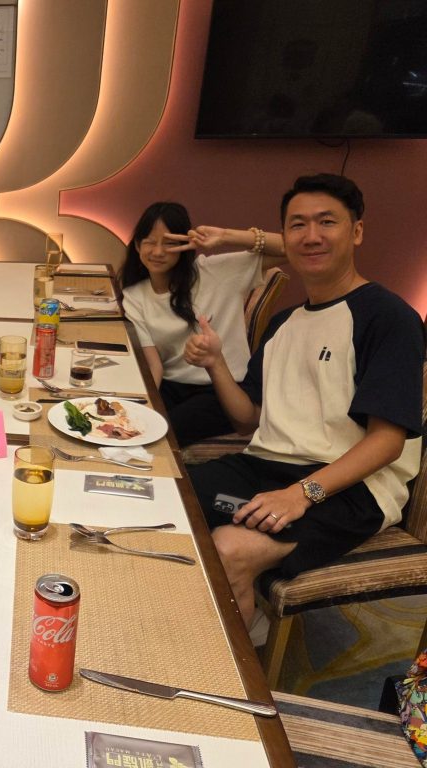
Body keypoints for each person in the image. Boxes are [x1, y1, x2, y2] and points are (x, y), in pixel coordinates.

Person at [184, 173, 424, 633]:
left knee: (230, 547)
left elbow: (388, 442)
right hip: (264, 468)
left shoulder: (387, 317)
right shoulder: (283, 324)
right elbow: (248, 419)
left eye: (326, 222)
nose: (311, 235)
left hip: (350, 488)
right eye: (297, 225)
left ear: (356, 231)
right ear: (285, 236)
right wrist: (215, 363)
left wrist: (302, 494)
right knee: (169, 497)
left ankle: (233, 661)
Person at [118, 202, 286, 446]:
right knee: (124, 421)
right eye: (150, 242)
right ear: (136, 245)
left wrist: (225, 236)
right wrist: (140, 408)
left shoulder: (217, 271)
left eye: (170, 243)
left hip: (222, 389)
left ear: (186, 245)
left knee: (161, 434)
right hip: (171, 386)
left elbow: (292, 248)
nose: (158, 251)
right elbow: (154, 366)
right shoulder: (135, 295)